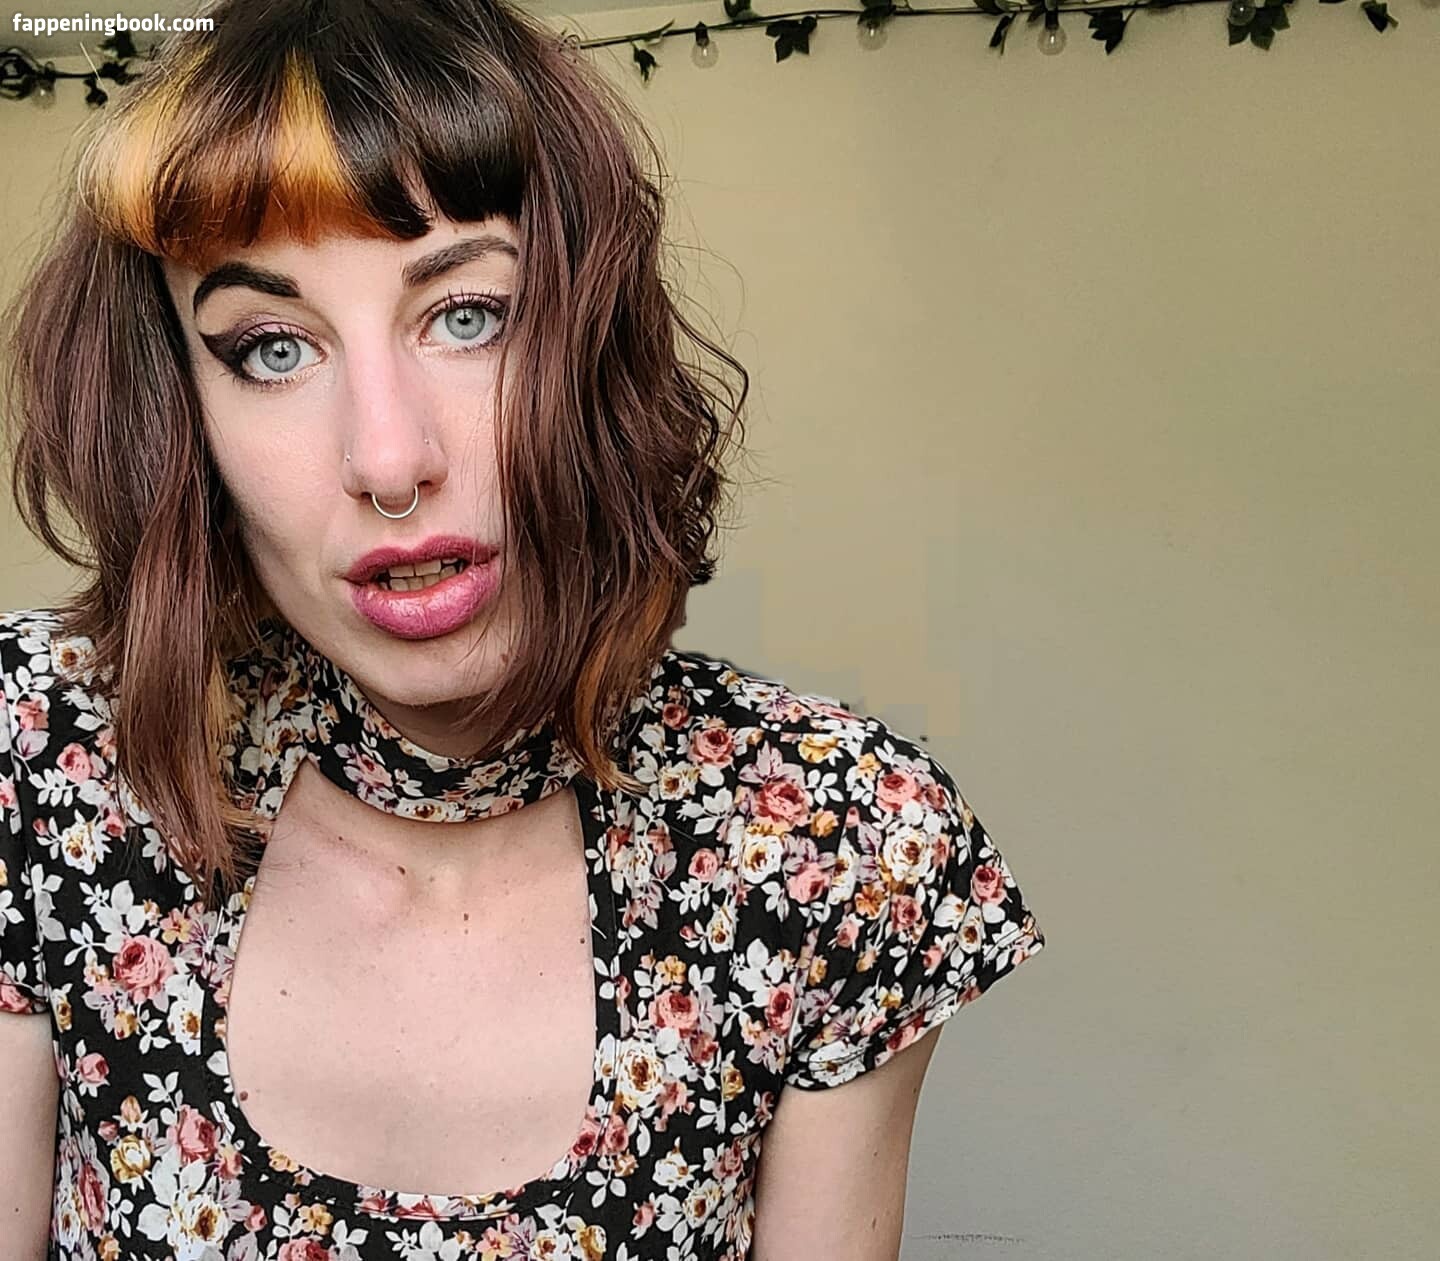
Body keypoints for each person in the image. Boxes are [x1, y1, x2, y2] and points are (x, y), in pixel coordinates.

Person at [0, 1, 1046, 1257]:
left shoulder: (831, 835)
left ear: (593, 341)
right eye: (272, 348)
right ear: (182, 409)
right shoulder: (45, 757)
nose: (389, 460)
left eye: (468, 314)